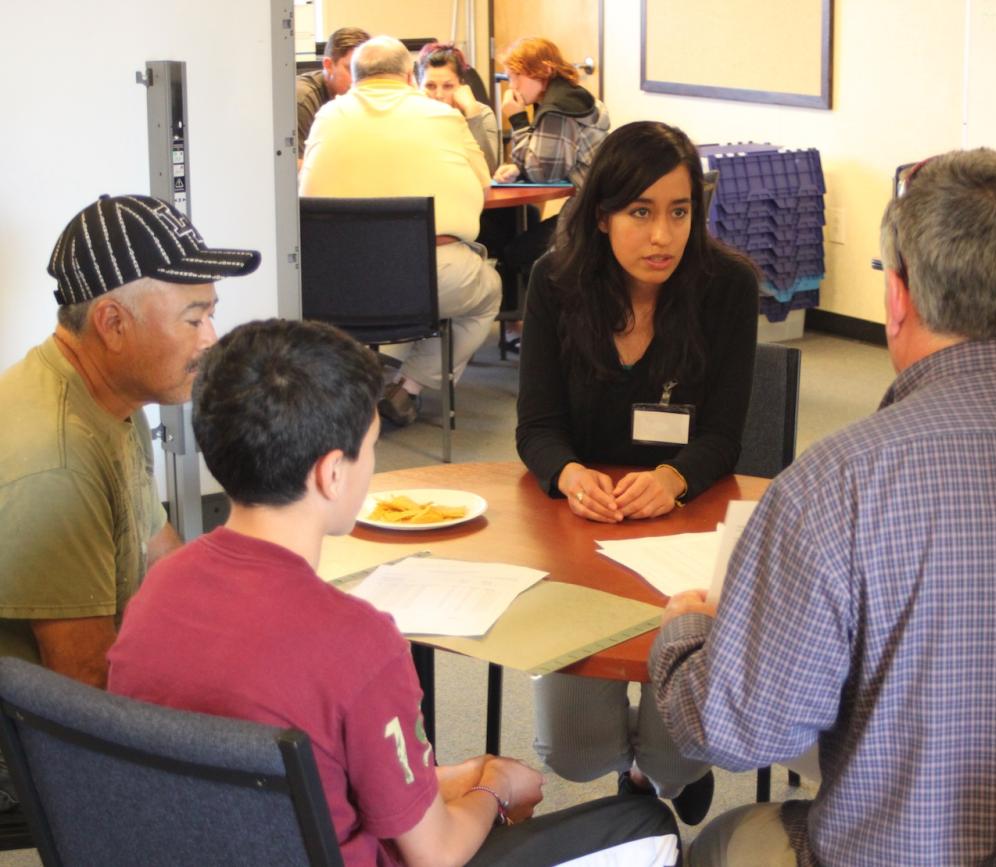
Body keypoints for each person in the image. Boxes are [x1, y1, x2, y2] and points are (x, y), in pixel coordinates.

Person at [650, 150, 996, 866]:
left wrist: (687, 633)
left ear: (897, 297)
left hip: (914, 853)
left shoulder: (836, 484)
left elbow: (738, 731)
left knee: (724, 843)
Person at [107, 318, 680, 867]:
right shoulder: (358, 641)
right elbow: (436, 853)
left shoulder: (157, 592)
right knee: (648, 828)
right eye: (373, 446)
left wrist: (459, 777)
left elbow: (318, 769)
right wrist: (496, 789)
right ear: (332, 474)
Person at [515, 121, 759, 827]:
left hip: (681, 526)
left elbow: (723, 436)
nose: (662, 236)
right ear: (602, 215)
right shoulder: (555, 282)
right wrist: (567, 475)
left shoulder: (727, 287)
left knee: (675, 751)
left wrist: (672, 478)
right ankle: (629, 768)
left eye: (679, 212)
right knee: (575, 752)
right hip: (579, 529)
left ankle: (655, 774)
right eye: (641, 212)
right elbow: (536, 428)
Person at [0, 193, 259, 689]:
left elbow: (163, 558)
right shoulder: (57, 460)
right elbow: (82, 689)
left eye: (211, 315)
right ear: (113, 323)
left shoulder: (111, 397)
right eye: (193, 319)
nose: (211, 338)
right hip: (32, 751)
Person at [300, 35, 502, 427]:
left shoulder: (327, 116)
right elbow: (484, 184)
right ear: (411, 75)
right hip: (426, 277)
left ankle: (348, 394)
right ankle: (407, 388)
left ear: (354, 77)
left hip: (333, 284)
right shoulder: (444, 118)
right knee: (486, 292)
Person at [493, 36, 610, 293]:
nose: (511, 86)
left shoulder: (557, 110)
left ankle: (530, 325)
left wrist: (518, 120)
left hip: (588, 217)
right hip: (603, 205)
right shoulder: (576, 97)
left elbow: (543, 173)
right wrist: (520, 167)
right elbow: (548, 158)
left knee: (516, 251)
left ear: (543, 70)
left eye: (516, 76)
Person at [419, 43, 500, 172]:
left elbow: (488, 170)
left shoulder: (481, 113)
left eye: (448, 86)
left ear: (461, 85)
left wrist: (472, 114)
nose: (439, 95)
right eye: (430, 86)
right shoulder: (411, 113)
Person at [295, 26, 369, 160]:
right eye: (352, 69)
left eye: (365, 70)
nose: (360, 79)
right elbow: (292, 167)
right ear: (328, 65)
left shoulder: (362, 96)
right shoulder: (302, 100)